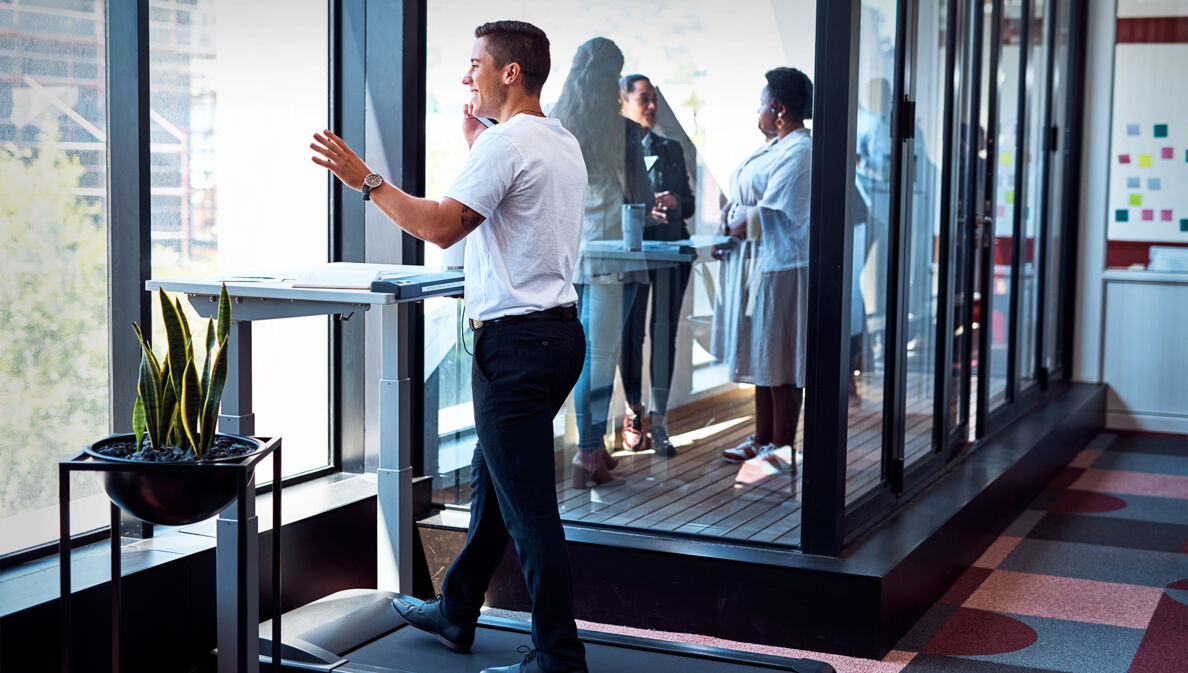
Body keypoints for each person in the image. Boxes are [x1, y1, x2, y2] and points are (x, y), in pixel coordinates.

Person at [310, 20, 589, 673]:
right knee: (498, 487)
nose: (467, 76)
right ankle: (457, 607)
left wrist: (366, 180)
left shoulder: (507, 146)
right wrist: (476, 145)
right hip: (558, 337)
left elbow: (440, 227)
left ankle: (559, 653)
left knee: (530, 515)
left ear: (509, 72)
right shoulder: (559, 140)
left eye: (475, 64)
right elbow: (513, 220)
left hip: (517, 348)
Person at [553, 37, 653, 487]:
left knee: (586, 354)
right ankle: (587, 454)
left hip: (570, 254)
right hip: (616, 251)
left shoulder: (555, 122)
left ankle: (594, 445)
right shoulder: (624, 130)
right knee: (602, 354)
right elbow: (642, 196)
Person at [716, 67, 813, 472]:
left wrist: (734, 219)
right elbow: (740, 205)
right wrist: (734, 216)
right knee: (763, 353)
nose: (756, 110)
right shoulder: (775, 145)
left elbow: (761, 214)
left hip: (784, 265)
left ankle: (781, 445)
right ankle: (761, 439)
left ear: (778, 108)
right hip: (761, 264)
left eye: (761, 103)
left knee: (781, 357)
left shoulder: (801, 151)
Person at [617, 74, 696, 456]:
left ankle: (661, 422)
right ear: (623, 102)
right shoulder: (613, 148)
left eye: (654, 100)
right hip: (632, 254)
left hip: (671, 254)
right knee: (630, 336)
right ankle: (635, 413)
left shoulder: (671, 148)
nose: (651, 106)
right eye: (644, 99)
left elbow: (691, 204)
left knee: (665, 335)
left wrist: (675, 202)